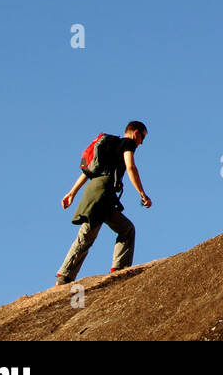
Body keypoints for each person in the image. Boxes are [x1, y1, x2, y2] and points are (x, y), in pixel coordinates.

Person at [55, 121, 152, 285]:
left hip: (99, 193)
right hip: (101, 194)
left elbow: (89, 172)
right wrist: (142, 193)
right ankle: (64, 276)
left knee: (126, 229)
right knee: (86, 235)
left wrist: (72, 193)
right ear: (136, 133)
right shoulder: (128, 143)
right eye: (142, 137)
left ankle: (120, 270)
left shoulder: (110, 147)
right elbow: (131, 167)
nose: (141, 142)